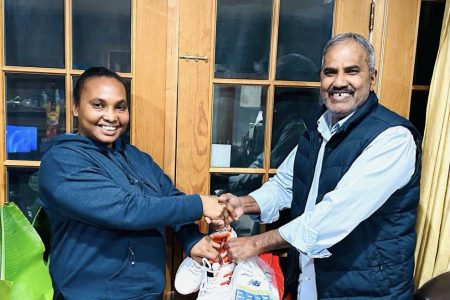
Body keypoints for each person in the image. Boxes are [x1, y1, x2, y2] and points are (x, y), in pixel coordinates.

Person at [217, 32, 422, 299]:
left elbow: (332, 217)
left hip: (365, 290)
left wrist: (255, 243)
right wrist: (244, 204)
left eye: (351, 71)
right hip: (309, 282)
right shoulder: (318, 127)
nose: (339, 82)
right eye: (330, 72)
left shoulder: (393, 138)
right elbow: (285, 185)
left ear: (372, 77)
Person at [38, 67, 235, 299]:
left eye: (120, 106)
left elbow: (170, 197)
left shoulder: (136, 157)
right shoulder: (62, 161)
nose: (111, 116)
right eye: (98, 105)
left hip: (147, 292)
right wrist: (200, 204)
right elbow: (125, 209)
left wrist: (190, 238)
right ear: (75, 107)